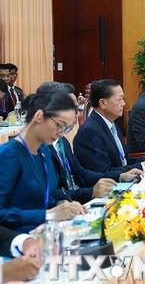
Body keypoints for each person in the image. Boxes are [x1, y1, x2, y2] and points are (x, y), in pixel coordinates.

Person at [35, 82, 136, 204]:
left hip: (75, 203)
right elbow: (49, 193)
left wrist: (120, 177)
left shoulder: (62, 141)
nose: (77, 114)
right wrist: (91, 192)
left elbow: (81, 173)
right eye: (71, 108)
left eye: (76, 108)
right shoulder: (37, 147)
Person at [0, 91, 84, 232]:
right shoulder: (9, 155)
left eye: (66, 128)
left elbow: (42, 197)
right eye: (59, 125)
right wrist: (48, 214)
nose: (61, 133)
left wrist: (62, 204)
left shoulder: (44, 151)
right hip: (17, 242)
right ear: (39, 116)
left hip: (45, 233)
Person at [74, 79, 145, 175]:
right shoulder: (89, 132)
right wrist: (143, 165)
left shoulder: (111, 123)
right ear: (103, 103)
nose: (123, 103)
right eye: (119, 99)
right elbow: (103, 173)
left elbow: (123, 161)